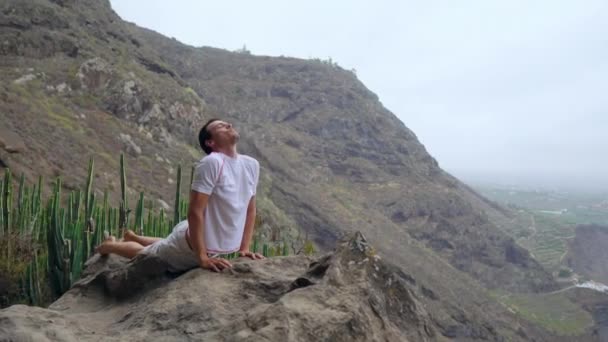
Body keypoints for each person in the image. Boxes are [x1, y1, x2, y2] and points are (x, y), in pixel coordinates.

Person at [97, 118, 263, 272]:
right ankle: (109, 246)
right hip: (189, 247)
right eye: (221, 126)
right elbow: (195, 211)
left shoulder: (251, 165)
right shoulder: (212, 162)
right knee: (146, 254)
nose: (228, 126)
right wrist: (202, 258)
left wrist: (244, 249)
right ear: (210, 142)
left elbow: (250, 209)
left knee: (166, 245)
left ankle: (132, 236)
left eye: (228, 124)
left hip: (197, 233)